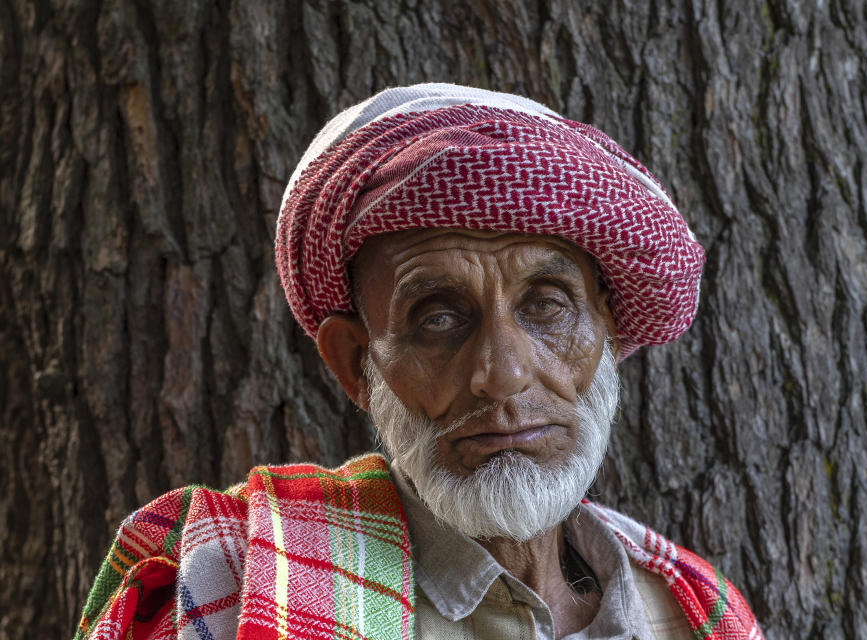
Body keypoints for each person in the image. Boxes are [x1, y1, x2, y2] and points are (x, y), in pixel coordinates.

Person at [76, 84, 762, 640]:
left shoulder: (698, 614)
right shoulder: (234, 586)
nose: (503, 373)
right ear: (355, 365)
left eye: (547, 306)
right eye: (438, 319)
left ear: (606, 334)